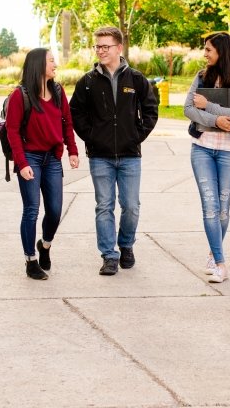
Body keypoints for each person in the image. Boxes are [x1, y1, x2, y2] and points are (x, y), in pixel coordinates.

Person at [70, 26, 159, 276]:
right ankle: (109, 255)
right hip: (100, 156)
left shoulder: (136, 79)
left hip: (130, 155)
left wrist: (137, 135)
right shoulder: (87, 82)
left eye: (105, 46)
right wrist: (91, 137)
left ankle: (126, 245)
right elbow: (75, 113)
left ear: (119, 48)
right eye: (97, 46)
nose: (100, 51)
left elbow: (151, 110)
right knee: (104, 205)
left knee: (131, 206)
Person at [5, 48, 80, 280]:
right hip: (30, 159)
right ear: (38, 65)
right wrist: (22, 162)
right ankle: (30, 260)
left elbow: (67, 123)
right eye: (51, 61)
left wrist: (72, 150)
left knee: (55, 211)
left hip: (52, 159)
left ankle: (45, 245)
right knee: (31, 210)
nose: (55, 64)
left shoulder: (58, 91)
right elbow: (12, 131)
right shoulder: (20, 95)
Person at [183, 32, 230, 284]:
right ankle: (220, 263)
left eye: (209, 49)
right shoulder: (201, 77)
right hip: (202, 149)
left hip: (229, 154)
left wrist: (208, 106)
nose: (205, 54)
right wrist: (217, 120)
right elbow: (188, 109)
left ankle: (213, 251)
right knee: (210, 207)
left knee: (222, 209)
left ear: (222, 51)